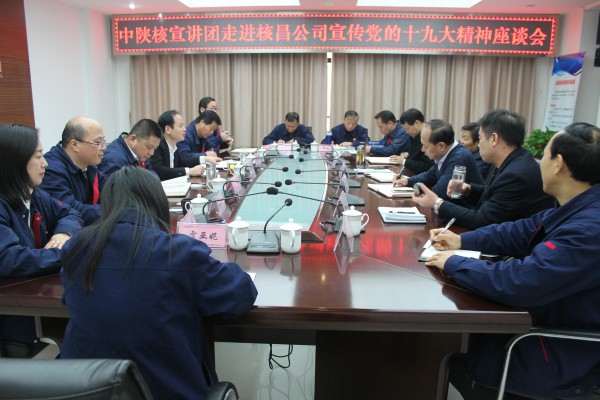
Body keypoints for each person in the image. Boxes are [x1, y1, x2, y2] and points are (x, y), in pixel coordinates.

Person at [425, 122, 600, 399]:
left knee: (437, 354)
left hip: (554, 350)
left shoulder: (588, 230)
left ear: (558, 165)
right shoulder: (580, 206)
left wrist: (453, 263)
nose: (538, 162)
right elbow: (521, 230)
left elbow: (522, 281)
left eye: (544, 155)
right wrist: (462, 241)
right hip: (540, 320)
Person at [60, 166, 258, 399]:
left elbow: (71, 298)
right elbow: (241, 292)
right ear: (156, 201)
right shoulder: (178, 251)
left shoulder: (77, 248)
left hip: (86, 391)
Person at [0, 124, 83, 357]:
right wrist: (67, 252)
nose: (45, 163)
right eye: (38, 156)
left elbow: (71, 214)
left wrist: (64, 234)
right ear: (15, 161)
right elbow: (9, 259)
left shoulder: (32, 194)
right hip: (12, 311)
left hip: (31, 297)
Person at [413, 110, 555, 229]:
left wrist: (438, 204)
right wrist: (469, 189)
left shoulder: (516, 174)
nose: (479, 144)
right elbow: (495, 195)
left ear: (494, 139)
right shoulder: (514, 160)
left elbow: (482, 220)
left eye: (480, 138)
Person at [394, 119, 483, 200]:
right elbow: (429, 176)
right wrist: (407, 181)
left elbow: (439, 193)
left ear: (441, 146)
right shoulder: (446, 153)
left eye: (426, 146)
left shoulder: (459, 159)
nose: (422, 150)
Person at [40, 116, 106, 224]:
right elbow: (72, 211)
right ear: (75, 145)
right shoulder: (51, 170)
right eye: (98, 143)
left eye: (103, 141)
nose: (103, 147)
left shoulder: (88, 164)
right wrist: (114, 210)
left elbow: (111, 189)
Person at [149, 110, 206, 181]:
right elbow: (159, 170)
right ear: (168, 129)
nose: (184, 129)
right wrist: (189, 171)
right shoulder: (157, 146)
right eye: (180, 126)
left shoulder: (174, 145)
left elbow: (182, 162)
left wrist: (204, 159)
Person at [389, 108, 434, 174]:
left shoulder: (429, 135)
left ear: (417, 123)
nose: (406, 132)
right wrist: (407, 154)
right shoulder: (414, 135)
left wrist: (404, 161)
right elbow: (415, 155)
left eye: (407, 129)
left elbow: (427, 166)